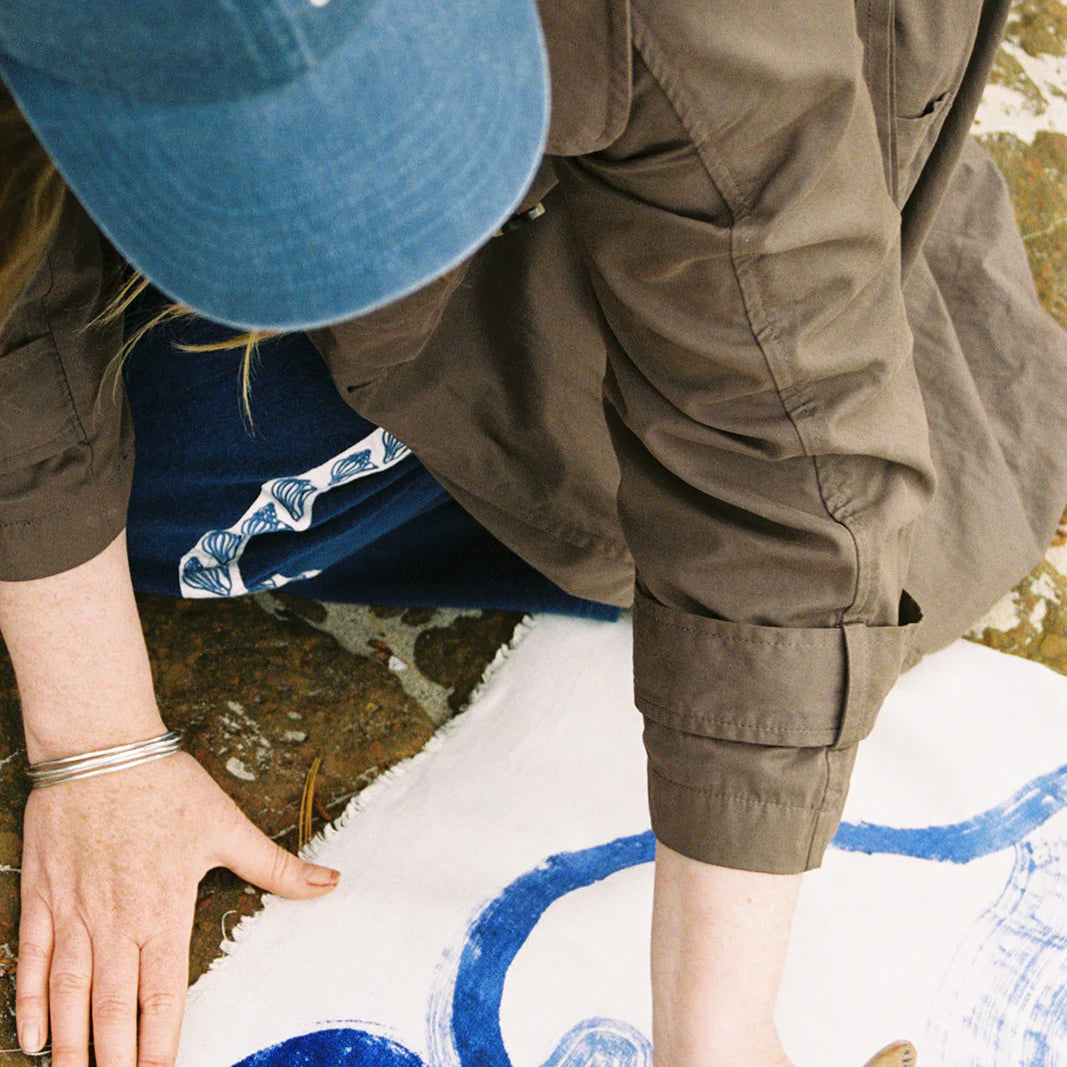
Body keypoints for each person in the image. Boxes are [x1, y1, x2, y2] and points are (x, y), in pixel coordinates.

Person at [0, 1, 1065, 1066]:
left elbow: (779, 432)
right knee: (132, 476)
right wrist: (96, 741)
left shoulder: (706, 33)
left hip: (657, 195)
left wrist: (716, 1023)